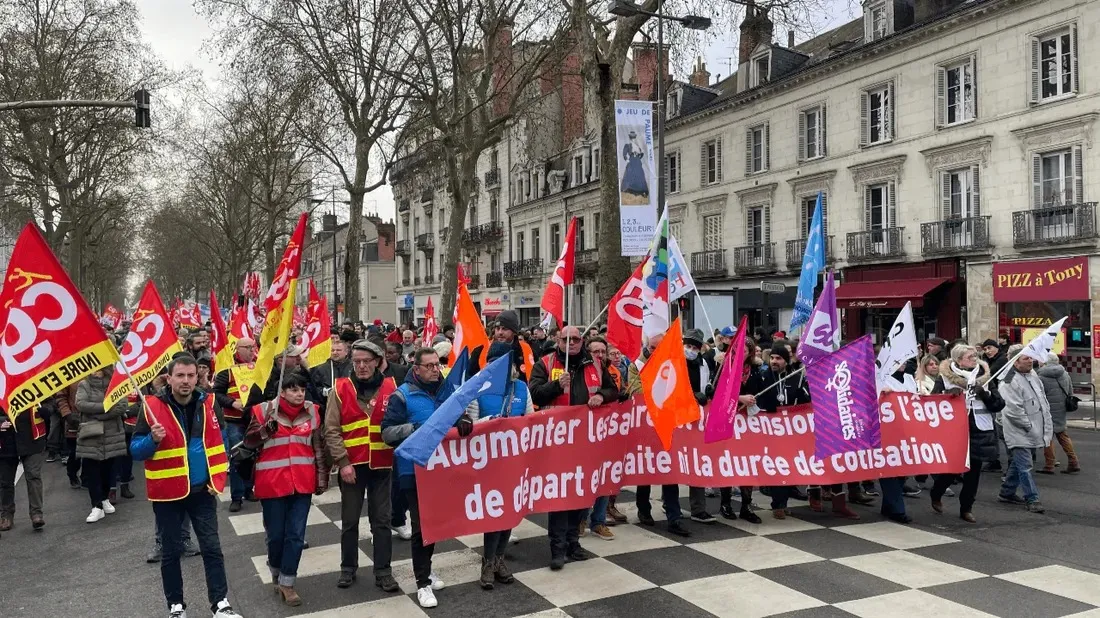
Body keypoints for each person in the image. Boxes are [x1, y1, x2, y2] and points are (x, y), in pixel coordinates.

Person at [130, 355, 242, 618]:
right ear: (169, 378)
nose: (186, 381)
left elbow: (220, 442)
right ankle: (176, 607)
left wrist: (218, 479)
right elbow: (135, 450)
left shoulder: (209, 403)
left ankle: (221, 604)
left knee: (212, 548)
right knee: (171, 552)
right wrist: (152, 440)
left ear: (197, 377)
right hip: (167, 493)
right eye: (180, 375)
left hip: (202, 490)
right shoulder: (151, 406)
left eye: (191, 375)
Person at [530, 326, 619, 565]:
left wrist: (601, 395)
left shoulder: (595, 365)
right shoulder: (545, 364)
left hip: (585, 443)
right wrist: (556, 386)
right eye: (565, 339)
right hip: (557, 443)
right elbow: (534, 394)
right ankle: (557, 549)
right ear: (558, 340)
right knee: (560, 497)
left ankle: (573, 543)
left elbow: (613, 389)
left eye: (575, 339)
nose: (570, 343)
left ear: (582, 342)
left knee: (580, 494)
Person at [382, 347, 461, 608]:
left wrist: (463, 422)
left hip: (442, 469)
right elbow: (387, 433)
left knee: (433, 524)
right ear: (416, 369)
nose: (435, 370)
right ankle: (422, 583)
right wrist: (414, 429)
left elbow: (455, 417)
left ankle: (426, 568)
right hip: (413, 471)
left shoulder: (446, 391)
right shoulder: (402, 396)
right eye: (429, 366)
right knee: (420, 527)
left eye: (437, 364)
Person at [243, 371, 328, 607]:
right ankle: (276, 570)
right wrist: (264, 430)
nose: (299, 394)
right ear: (282, 391)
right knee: (276, 536)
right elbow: (249, 441)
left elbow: (318, 447)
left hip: (302, 482)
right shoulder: (263, 411)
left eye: (302, 390)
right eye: (293, 389)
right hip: (272, 483)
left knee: (296, 535)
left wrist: (321, 479)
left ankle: (287, 583)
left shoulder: (313, 411)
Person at [324, 339, 401, 592]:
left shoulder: (392, 387)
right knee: (349, 521)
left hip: (382, 465)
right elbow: (331, 430)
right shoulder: (339, 389)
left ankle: (383, 571)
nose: (361, 366)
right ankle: (348, 568)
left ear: (377, 362)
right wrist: (343, 462)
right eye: (356, 361)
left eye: (366, 361)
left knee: (382, 521)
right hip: (352, 467)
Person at [466, 342, 532, 589]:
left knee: (510, 512)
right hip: (488, 461)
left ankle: (499, 559)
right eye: (496, 363)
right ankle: (488, 561)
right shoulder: (478, 388)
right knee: (494, 513)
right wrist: (490, 421)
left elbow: (530, 421)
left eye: (507, 363)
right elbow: (470, 425)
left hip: (515, 460)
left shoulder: (521, 387)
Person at [929, 345, 1004, 523]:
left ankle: (966, 508)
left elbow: (999, 405)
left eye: (975, 356)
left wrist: (985, 395)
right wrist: (947, 395)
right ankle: (937, 492)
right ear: (958, 360)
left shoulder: (984, 377)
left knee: (974, 471)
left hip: (979, 429)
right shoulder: (945, 377)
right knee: (954, 469)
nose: (974, 359)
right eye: (970, 357)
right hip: (954, 429)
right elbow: (931, 404)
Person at [996, 345, 1053, 514]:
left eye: (1031, 357)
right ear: (1015, 362)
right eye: (1026, 358)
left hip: (1033, 428)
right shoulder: (1008, 381)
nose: (1030, 361)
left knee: (1018, 462)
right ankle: (1032, 498)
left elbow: (1041, 400)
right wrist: (1029, 426)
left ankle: (1006, 492)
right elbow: (1013, 410)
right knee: (1025, 465)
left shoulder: (1032, 375)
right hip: (1019, 430)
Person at [212, 337, 264, 512]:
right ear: (238, 348)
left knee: (254, 456)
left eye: (253, 347)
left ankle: (249, 489)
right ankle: (236, 497)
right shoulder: (227, 368)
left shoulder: (259, 366)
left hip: (254, 419)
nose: (251, 350)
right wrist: (232, 402)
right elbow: (216, 393)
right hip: (234, 420)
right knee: (237, 457)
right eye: (247, 347)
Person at [75, 368, 131, 524]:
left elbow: (121, 405)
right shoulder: (84, 384)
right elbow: (81, 404)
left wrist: (99, 415)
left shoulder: (115, 384)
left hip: (112, 434)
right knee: (92, 470)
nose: (96, 371)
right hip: (91, 434)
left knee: (109, 469)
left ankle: (105, 498)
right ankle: (96, 505)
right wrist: (106, 406)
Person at [683, 329, 719, 525]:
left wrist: (707, 390)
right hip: (679, 419)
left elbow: (704, 384)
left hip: (697, 419)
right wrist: (692, 395)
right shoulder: (675, 362)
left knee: (696, 462)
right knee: (674, 463)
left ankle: (698, 508)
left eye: (694, 347)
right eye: (688, 346)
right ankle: (670, 504)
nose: (690, 350)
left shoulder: (703, 363)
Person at [0, 404, 47, 532]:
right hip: (6, 443)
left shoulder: (34, 391)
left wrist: (45, 410)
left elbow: (50, 404)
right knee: (5, 482)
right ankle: (6, 515)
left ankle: (36, 514)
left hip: (32, 440)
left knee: (33, 476)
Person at [1037, 353, 1080, 475]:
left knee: (1048, 436)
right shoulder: (1064, 373)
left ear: (1045, 361)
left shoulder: (1041, 376)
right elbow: (1070, 391)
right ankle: (1073, 461)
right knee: (1062, 434)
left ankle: (1049, 464)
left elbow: (1039, 395)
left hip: (1047, 410)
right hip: (1061, 409)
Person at [468, 310, 533, 382]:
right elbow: (470, 379)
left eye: (504, 329)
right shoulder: (480, 350)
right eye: (497, 328)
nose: (500, 332)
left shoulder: (525, 348)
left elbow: (533, 376)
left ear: (514, 331)